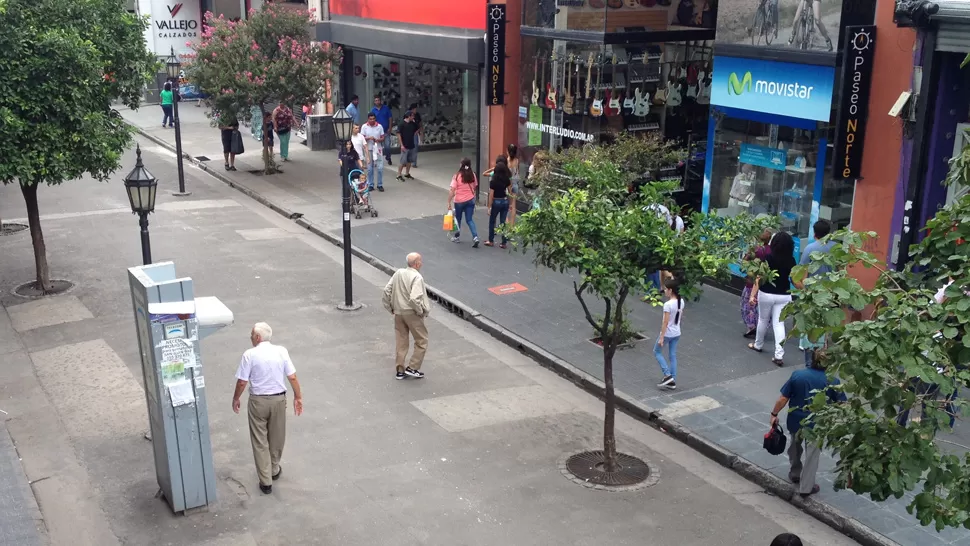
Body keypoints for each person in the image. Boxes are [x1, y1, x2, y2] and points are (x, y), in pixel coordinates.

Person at [232, 322, 303, 495]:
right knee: (277, 436)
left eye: (251, 334)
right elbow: (292, 376)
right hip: (278, 399)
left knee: (259, 440)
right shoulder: (281, 351)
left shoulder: (249, 354)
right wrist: (298, 397)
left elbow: (242, 381)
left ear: (257, 337)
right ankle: (274, 468)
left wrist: (236, 398)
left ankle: (265, 482)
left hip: (258, 401)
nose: (250, 337)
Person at [769, 349, 845, 498]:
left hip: (796, 421)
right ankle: (806, 487)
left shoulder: (798, 375)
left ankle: (795, 473)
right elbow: (842, 405)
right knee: (812, 456)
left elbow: (783, 399)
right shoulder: (833, 382)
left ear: (812, 360)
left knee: (794, 448)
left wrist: (774, 414)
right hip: (817, 425)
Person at [748, 231, 796, 366]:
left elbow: (759, 277)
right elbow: (794, 279)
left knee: (763, 319)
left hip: (767, 293)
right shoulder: (791, 260)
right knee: (779, 324)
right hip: (785, 295)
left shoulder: (768, 258)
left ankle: (758, 344)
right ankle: (779, 355)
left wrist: (752, 295)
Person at [382, 252, 430, 380]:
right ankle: (413, 367)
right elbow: (414, 298)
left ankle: (400, 370)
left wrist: (390, 307)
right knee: (422, 340)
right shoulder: (417, 277)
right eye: (421, 261)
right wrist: (420, 311)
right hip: (412, 313)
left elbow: (387, 290)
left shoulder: (398, 273)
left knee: (401, 341)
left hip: (398, 312)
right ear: (417, 263)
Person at [796, 220, 835, 366]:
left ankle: (811, 361)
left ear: (814, 233)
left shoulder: (810, 249)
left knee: (811, 328)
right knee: (827, 328)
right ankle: (825, 359)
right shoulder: (837, 248)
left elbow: (801, 273)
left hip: (814, 295)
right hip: (831, 294)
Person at [742, 229, 773, 338]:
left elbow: (744, 261)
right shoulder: (771, 251)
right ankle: (761, 327)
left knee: (748, 305)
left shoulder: (755, 249)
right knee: (762, 308)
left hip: (751, 281)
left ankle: (751, 326)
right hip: (765, 284)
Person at [654, 279, 684, 390]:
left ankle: (667, 375)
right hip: (677, 332)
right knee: (672, 356)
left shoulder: (667, 304)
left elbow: (665, 322)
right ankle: (673, 381)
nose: (664, 291)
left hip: (668, 333)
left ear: (670, 290)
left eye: (666, 289)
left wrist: (661, 337)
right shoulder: (681, 301)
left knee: (656, 351)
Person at [447, 158, 480, 247]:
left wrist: (448, 202)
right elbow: (475, 187)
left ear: (461, 165)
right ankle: (475, 237)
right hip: (470, 200)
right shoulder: (473, 175)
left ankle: (457, 237)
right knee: (469, 220)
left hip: (459, 201)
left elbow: (452, 190)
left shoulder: (457, 176)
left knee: (458, 219)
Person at [484, 156, 513, 248]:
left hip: (496, 201)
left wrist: (489, 207)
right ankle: (503, 242)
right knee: (503, 222)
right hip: (504, 201)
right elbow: (510, 192)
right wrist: (511, 203)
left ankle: (491, 240)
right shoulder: (506, 179)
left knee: (492, 221)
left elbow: (491, 195)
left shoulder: (493, 181)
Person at [360, 113, 385, 192]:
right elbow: (362, 138)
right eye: (370, 119)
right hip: (368, 149)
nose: (372, 120)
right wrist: (368, 138)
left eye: (373, 119)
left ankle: (380, 184)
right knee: (370, 168)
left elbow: (383, 137)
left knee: (380, 168)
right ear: (368, 119)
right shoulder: (364, 126)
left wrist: (378, 140)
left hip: (378, 149)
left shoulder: (379, 126)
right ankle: (370, 184)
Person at [396, 111, 418, 182]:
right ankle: (399, 175)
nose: (413, 117)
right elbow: (398, 134)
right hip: (404, 145)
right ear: (408, 116)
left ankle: (407, 173)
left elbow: (417, 128)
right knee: (403, 161)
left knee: (409, 161)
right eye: (412, 116)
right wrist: (401, 145)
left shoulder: (413, 124)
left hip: (411, 144)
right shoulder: (401, 124)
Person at [370, 95, 393, 165]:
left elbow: (390, 118)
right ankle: (376, 160)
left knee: (387, 146)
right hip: (377, 132)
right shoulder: (373, 110)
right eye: (376, 100)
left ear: (381, 101)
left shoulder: (386, 108)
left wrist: (390, 128)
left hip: (386, 131)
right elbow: (371, 120)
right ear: (374, 102)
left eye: (378, 100)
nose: (377, 102)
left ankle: (388, 157)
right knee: (376, 147)